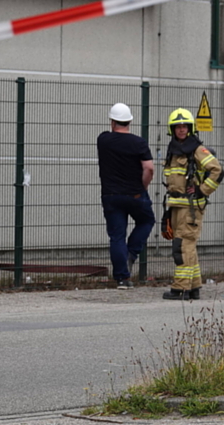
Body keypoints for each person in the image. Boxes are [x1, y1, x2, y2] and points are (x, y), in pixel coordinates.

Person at [161, 108, 224, 300]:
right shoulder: (173, 150)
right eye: (177, 126)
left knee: (182, 246)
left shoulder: (196, 149)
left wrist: (202, 190)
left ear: (191, 128)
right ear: (172, 129)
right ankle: (194, 286)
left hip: (191, 208)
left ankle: (180, 289)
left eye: (184, 126)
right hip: (177, 206)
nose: (181, 129)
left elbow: (217, 170)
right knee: (188, 246)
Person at [96, 103, 156, 289]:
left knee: (116, 236)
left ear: (112, 122)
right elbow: (149, 168)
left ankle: (122, 278)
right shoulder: (139, 143)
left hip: (111, 196)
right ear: (130, 121)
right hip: (135, 194)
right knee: (146, 221)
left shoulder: (103, 140)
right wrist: (142, 186)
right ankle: (131, 254)